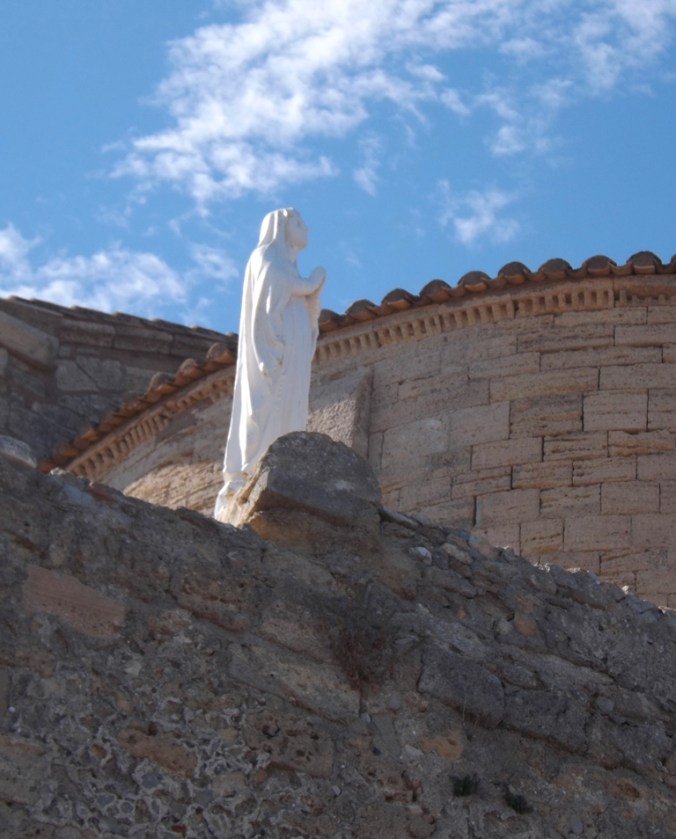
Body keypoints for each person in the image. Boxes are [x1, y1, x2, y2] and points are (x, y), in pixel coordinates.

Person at [214, 208, 326, 519]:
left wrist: (310, 293)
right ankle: (254, 470)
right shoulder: (264, 255)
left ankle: (283, 464)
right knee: (266, 409)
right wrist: (312, 282)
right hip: (272, 354)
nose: (306, 228)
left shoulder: (289, 267)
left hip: (293, 352)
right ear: (281, 226)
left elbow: (297, 297)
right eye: (299, 223)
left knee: (291, 405)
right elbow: (274, 287)